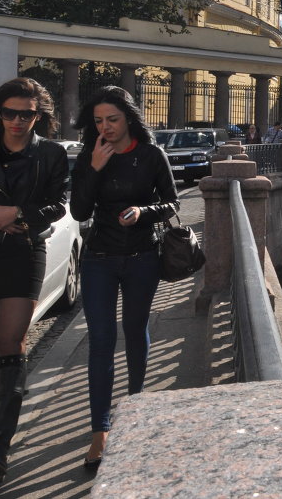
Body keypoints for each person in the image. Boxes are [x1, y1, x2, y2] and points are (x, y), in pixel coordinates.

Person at [70, 86, 179, 471]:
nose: (106, 127)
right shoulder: (91, 155)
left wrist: (143, 211)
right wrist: (95, 168)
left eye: (112, 120)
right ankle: (99, 432)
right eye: (99, 121)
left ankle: (135, 408)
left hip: (141, 258)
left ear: (129, 118)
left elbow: (172, 203)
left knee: (135, 331)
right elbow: (78, 209)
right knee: (101, 341)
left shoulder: (151, 154)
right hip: (99, 258)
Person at [0, 78, 67, 487]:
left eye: (27, 113)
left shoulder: (52, 154)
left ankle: (0, 448)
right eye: (9, 112)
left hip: (24, 250)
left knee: (10, 343)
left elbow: (59, 203)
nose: (17, 120)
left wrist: (17, 215)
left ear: (39, 115)